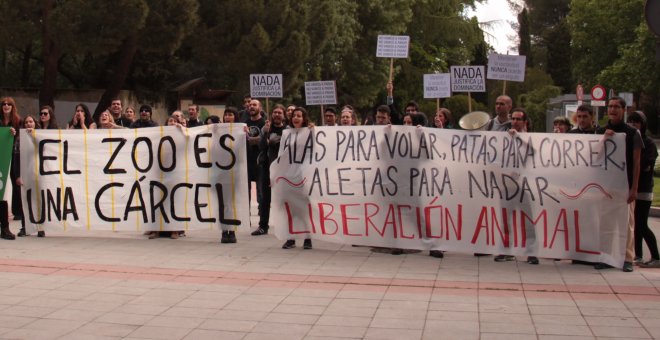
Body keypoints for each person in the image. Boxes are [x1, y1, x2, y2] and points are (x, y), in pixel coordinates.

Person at [596, 96, 642, 272]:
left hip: (625, 185)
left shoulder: (632, 133)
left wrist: (634, 188)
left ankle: (627, 258)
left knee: (627, 224)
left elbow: (636, 162)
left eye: (617, 107)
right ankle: (606, 257)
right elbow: (594, 156)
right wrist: (604, 140)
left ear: (624, 110)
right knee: (606, 224)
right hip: (606, 186)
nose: (612, 110)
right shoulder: (600, 130)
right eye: (610, 106)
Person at [494, 108, 539, 265]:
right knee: (505, 219)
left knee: (528, 220)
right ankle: (505, 250)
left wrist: (519, 138)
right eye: (512, 118)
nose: (514, 121)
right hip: (507, 185)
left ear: (525, 122)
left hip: (526, 186)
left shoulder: (532, 138)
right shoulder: (504, 139)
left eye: (518, 119)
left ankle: (532, 252)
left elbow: (535, 153)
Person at [626, 111, 660, 268]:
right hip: (631, 187)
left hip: (644, 189)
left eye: (637, 122)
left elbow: (646, 164)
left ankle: (655, 256)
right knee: (635, 225)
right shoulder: (628, 140)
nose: (633, 125)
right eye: (631, 121)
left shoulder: (649, 143)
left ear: (643, 124)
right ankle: (638, 254)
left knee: (642, 223)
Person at [249, 104, 287, 245]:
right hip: (266, 167)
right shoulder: (267, 129)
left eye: (280, 113)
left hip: (283, 169)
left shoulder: (287, 130)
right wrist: (264, 134)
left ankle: (285, 226)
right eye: (275, 112)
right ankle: (263, 226)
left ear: (284, 116)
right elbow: (261, 147)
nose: (277, 115)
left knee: (283, 199)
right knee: (265, 199)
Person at [281, 107, 314, 250]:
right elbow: (281, 156)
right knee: (290, 208)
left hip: (304, 175)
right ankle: (291, 238)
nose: (296, 118)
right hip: (289, 176)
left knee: (304, 207)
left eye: (299, 116)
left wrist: (315, 130)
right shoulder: (287, 134)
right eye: (294, 116)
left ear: (304, 119)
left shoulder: (310, 133)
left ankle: (308, 238)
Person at [16, 115, 42, 237]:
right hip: (25, 173)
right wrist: (17, 176)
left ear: (35, 123)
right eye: (26, 122)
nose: (28, 124)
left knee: (40, 200)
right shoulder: (19, 139)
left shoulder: (41, 136)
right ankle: (25, 227)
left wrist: (33, 135)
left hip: (39, 173)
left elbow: (43, 149)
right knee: (25, 200)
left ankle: (41, 227)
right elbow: (16, 158)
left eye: (31, 122)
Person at [246, 100, 267, 235]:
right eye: (250, 105)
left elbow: (264, 140)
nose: (251, 106)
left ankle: (262, 223)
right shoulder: (244, 123)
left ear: (260, 107)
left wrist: (253, 139)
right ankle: (244, 218)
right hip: (246, 161)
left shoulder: (265, 124)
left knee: (261, 193)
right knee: (244, 192)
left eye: (254, 105)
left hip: (260, 162)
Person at [1, 97, 20, 240]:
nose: (6, 106)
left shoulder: (17, 122)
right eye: (3, 104)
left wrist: (14, 135)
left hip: (10, 161)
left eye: (9, 104)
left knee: (4, 193)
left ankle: (5, 228)